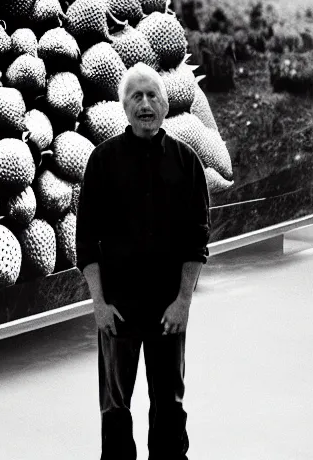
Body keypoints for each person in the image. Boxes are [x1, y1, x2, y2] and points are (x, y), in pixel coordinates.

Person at [76, 62, 211, 460]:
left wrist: (183, 301)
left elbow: (197, 241)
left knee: (169, 402)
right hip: (117, 308)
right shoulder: (101, 162)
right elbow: (86, 240)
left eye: (153, 95)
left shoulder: (188, 163)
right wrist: (99, 304)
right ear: (125, 107)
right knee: (115, 406)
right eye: (137, 96)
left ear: (166, 106)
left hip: (168, 305)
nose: (146, 104)